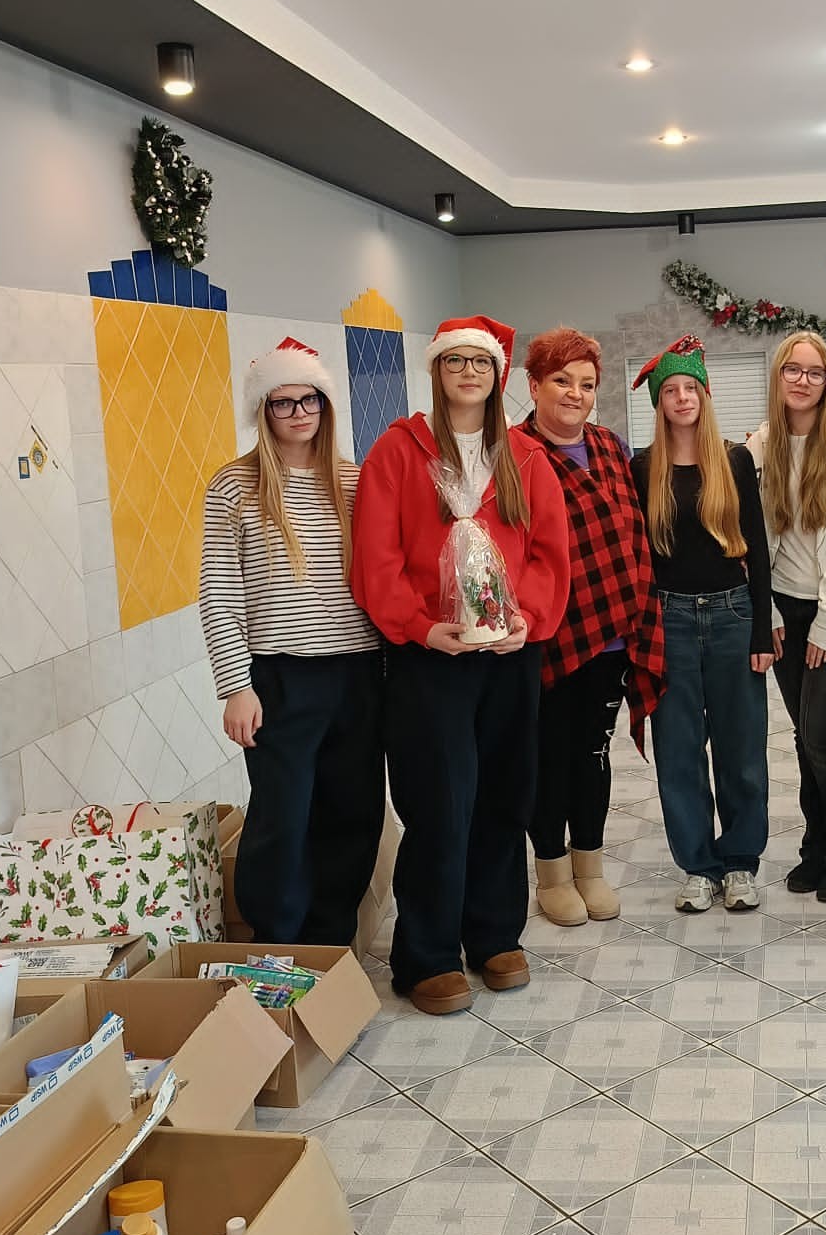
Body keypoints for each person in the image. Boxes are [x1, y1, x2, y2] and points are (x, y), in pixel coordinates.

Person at [352, 314, 570, 1015]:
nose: (468, 373)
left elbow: (549, 554)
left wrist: (525, 619)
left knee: (506, 794)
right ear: (436, 372)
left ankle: (494, 935)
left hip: (508, 656)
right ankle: (428, 953)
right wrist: (418, 626)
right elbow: (376, 557)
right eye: (455, 362)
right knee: (441, 801)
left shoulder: (525, 457)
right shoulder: (397, 452)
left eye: (481, 362)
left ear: (498, 375)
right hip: (431, 656)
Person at [199, 337, 384, 944]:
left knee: (353, 812)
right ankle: (277, 943)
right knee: (283, 817)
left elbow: (384, 577)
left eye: (310, 400)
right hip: (279, 677)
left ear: (326, 405)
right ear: (263, 411)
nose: (299, 413)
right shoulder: (235, 486)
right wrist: (236, 687)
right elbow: (219, 592)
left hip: (359, 672)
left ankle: (330, 944)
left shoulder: (354, 482)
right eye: (283, 403)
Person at [519, 326, 665, 927]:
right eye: (561, 380)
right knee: (549, 758)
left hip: (613, 632)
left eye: (585, 384)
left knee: (593, 753)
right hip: (548, 635)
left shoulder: (610, 446)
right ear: (533, 385)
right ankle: (551, 874)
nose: (574, 394)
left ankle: (590, 867)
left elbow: (629, 531)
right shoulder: (516, 453)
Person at [631, 335, 773, 911]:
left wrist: (762, 631)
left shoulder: (735, 460)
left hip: (733, 615)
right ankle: (698, 865)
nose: (683, 398)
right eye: (671, 390)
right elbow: (639, 557)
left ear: (705, 396)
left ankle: (739, 862)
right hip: (669, 620)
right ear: (659, 402)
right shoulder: (643, 467)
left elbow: (757, 547)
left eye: (691, 388)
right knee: (679, 748)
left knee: (742, 749)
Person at [747, 332, 826, 902]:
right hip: (785, 608)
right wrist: (771, 608)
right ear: (778, 377)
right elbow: (754, 538)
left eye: (815, 372)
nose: (803, 381)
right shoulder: (762, 444)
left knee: (823, 733)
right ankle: (816, 849)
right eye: (792, 371)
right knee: (804, 735)